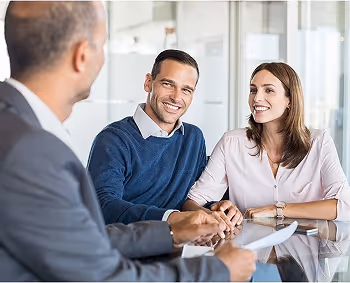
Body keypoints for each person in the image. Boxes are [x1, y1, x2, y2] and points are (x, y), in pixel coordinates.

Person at [0, 1, 257, 281]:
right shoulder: (30, 150)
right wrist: (217, 270)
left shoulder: (19, 130)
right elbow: (99, 272)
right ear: (82, 55)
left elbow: (84, 242)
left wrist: (173, 230)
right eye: (102, 46)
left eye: (186, 89)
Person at [183, 62, 350, 223]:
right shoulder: (231, 143)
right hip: (248, 248)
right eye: (253, 90)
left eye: (268, 90)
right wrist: (215, 217)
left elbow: (345, 206)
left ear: (289, 100)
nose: (257, 98)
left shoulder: (319, 142)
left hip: (306, 248)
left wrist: (277, 210)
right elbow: (192, 202)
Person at [87, 49, 213, 226]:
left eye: (186, 90)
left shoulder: (193, 138)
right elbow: (104, 206)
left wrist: (216, 207)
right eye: (168, 84)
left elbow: (195, 196)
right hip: (127, 247)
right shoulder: (113, 140)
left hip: (181, 244)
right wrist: (171, 218)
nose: (176, 97)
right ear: (148, 83)